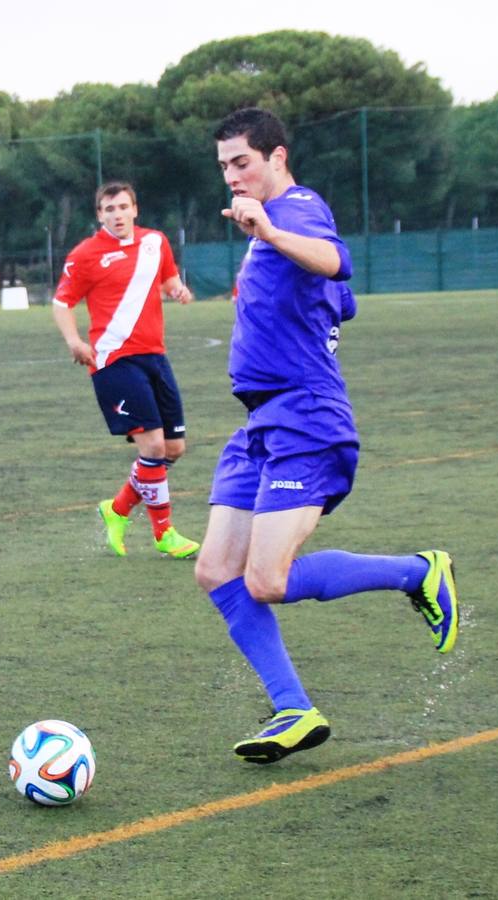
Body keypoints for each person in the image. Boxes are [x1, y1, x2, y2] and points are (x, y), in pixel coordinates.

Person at [193, 108, 459, 764]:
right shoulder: (266, 227)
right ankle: (293, 709)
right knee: (214, 570)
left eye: (241, 162)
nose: (231, 176)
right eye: (224, 165)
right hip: (260, 423)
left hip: (305, 421)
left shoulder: (296, 207)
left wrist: (273, 231)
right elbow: (340, 302)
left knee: (266, 579)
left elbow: (334, 260)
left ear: (276, 157)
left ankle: (417, 573)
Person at [51, 181, 200, 560]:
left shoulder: (156, 242)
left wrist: (178, 290)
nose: (117, 215)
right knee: (151, 445)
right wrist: (74, 341)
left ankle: (116, 509)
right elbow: (61, 302)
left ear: (135, 209)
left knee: (173, 448)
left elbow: (167, 279)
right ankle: (164, 534)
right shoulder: (85, 255)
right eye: (108, 209)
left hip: (154, 356)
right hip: (112, 360)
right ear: (99, 214)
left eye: (122, 207)